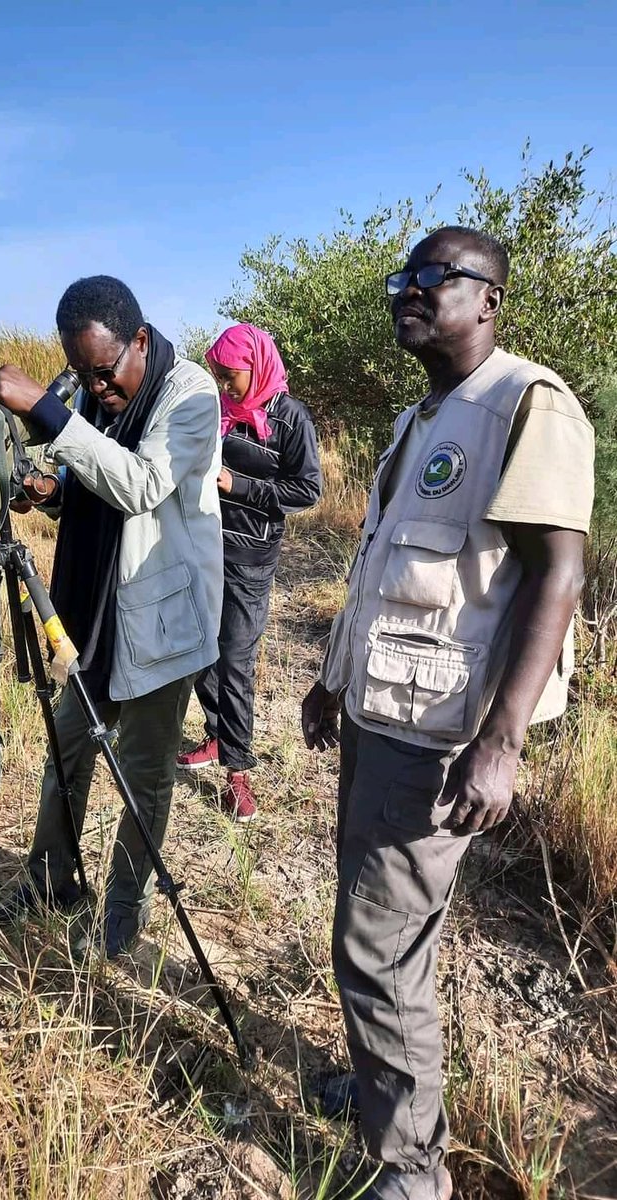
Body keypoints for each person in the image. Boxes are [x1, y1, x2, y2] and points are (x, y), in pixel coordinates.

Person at [300, 227, 594, 1200]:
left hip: (440, 736)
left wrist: (500, 745)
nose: (411, 293)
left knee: (379, 946)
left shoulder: (526, 405)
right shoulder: (418, 420)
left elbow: (558, 574)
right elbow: (389, 569)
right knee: (376, 931)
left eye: (436, 279)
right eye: (406, 279)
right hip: (381, 711)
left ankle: (410, 1172)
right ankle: (388, 1094)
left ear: (491, 300)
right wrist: (332, 681)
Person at [0, 275, 222, 958]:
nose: (95, 388)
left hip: (159, 625)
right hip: (89, 616)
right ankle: (51, 882)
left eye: (105, 371)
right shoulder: (95, 391)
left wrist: (52, 415)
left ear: (139, 342)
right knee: (67, 754)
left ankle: (123, 910)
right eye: (81, 374)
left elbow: (142, 484)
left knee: (144, 779)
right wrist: (50, 490)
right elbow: (92, 479)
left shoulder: (191, 395)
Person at [176, 324, 322, 819]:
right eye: (217, 375)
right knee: (198, 653)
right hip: (205, 548)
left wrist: (237, 485)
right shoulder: (222, 413)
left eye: (230, 375)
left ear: (256, 365)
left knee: (234, 663)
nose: (223, 385)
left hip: (250, 558)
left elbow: (306, 491)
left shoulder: (290, 419)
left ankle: (238, 771)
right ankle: (219, 736)